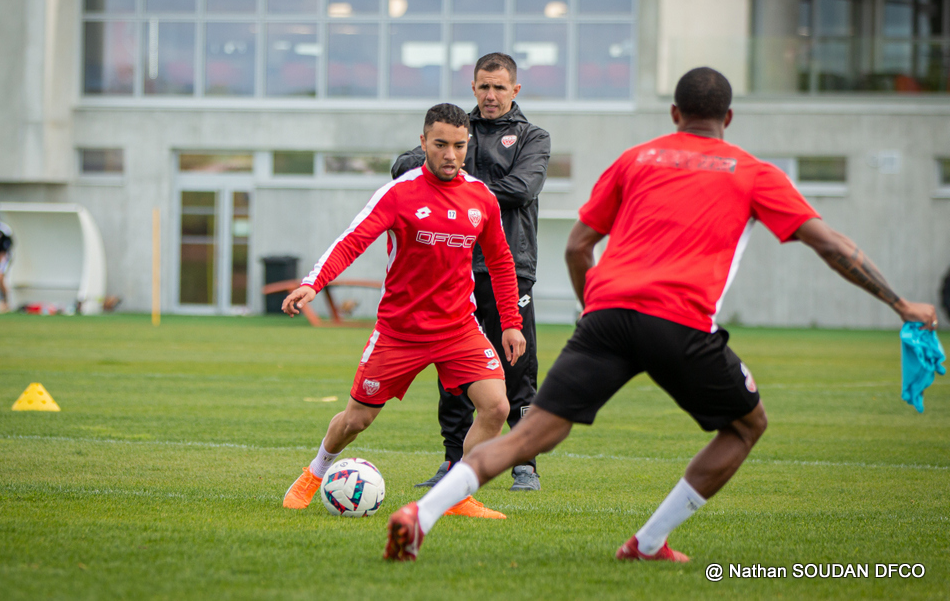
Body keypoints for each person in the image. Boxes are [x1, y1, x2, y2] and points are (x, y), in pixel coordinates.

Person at [383, 67, 938, 562]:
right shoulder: (753, 172)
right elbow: (832, 246)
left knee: (534, 433)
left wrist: (589, 310)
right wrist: (901, 303)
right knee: (747, 425)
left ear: (674, 113)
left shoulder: (637, 158)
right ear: (728, 117)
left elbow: (578, 246)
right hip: (680, 322)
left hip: (606, 317)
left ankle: (422, 514)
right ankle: (648, 542)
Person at [281, 103, 527, 519]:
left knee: (497, 407)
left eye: (459, 146)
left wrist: (511, 324)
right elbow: (352, 241)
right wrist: (312, 283)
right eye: (441, 144)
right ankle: (315, 472)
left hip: (458, 328)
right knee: (356, 420)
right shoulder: (399, 193)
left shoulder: (481, 198)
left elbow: (502, 261)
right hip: (400, 331)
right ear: (423, 142)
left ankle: (456, 495)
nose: (451, 154)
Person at [392, 53, 550, 491]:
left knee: (518, 367)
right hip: (453, 268)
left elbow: (521, 189)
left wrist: (456, 183)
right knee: (453, 371)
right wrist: (442, 162)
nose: (491, 95)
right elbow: (401, 166)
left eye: (499, 87)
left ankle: (524, 463)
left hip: (509, 269)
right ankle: (452, 461)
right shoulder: (458, 131)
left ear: (515, 90)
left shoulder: (532, 137)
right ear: (473, 87)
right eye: (483, 86)